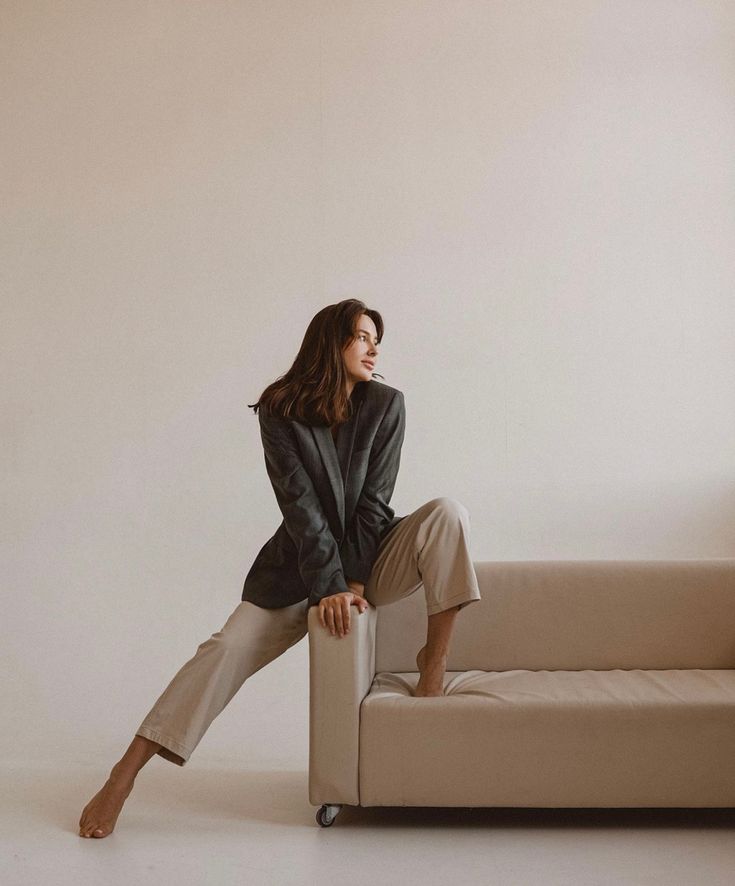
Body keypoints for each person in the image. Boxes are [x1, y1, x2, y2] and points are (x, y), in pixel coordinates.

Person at [78, 299, 481, 838]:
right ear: (331, 342)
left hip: (371, 557)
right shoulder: (280, 409)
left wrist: (354, 583)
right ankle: (123, 775)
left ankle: (435, 659)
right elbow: (300, 509)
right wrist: (330, 587)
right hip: (295, 571)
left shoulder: (387, 404)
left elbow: (375, 503)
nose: (374, 348)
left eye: (375, 338)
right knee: (223, 650)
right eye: (362, 337)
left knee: (447, 514)